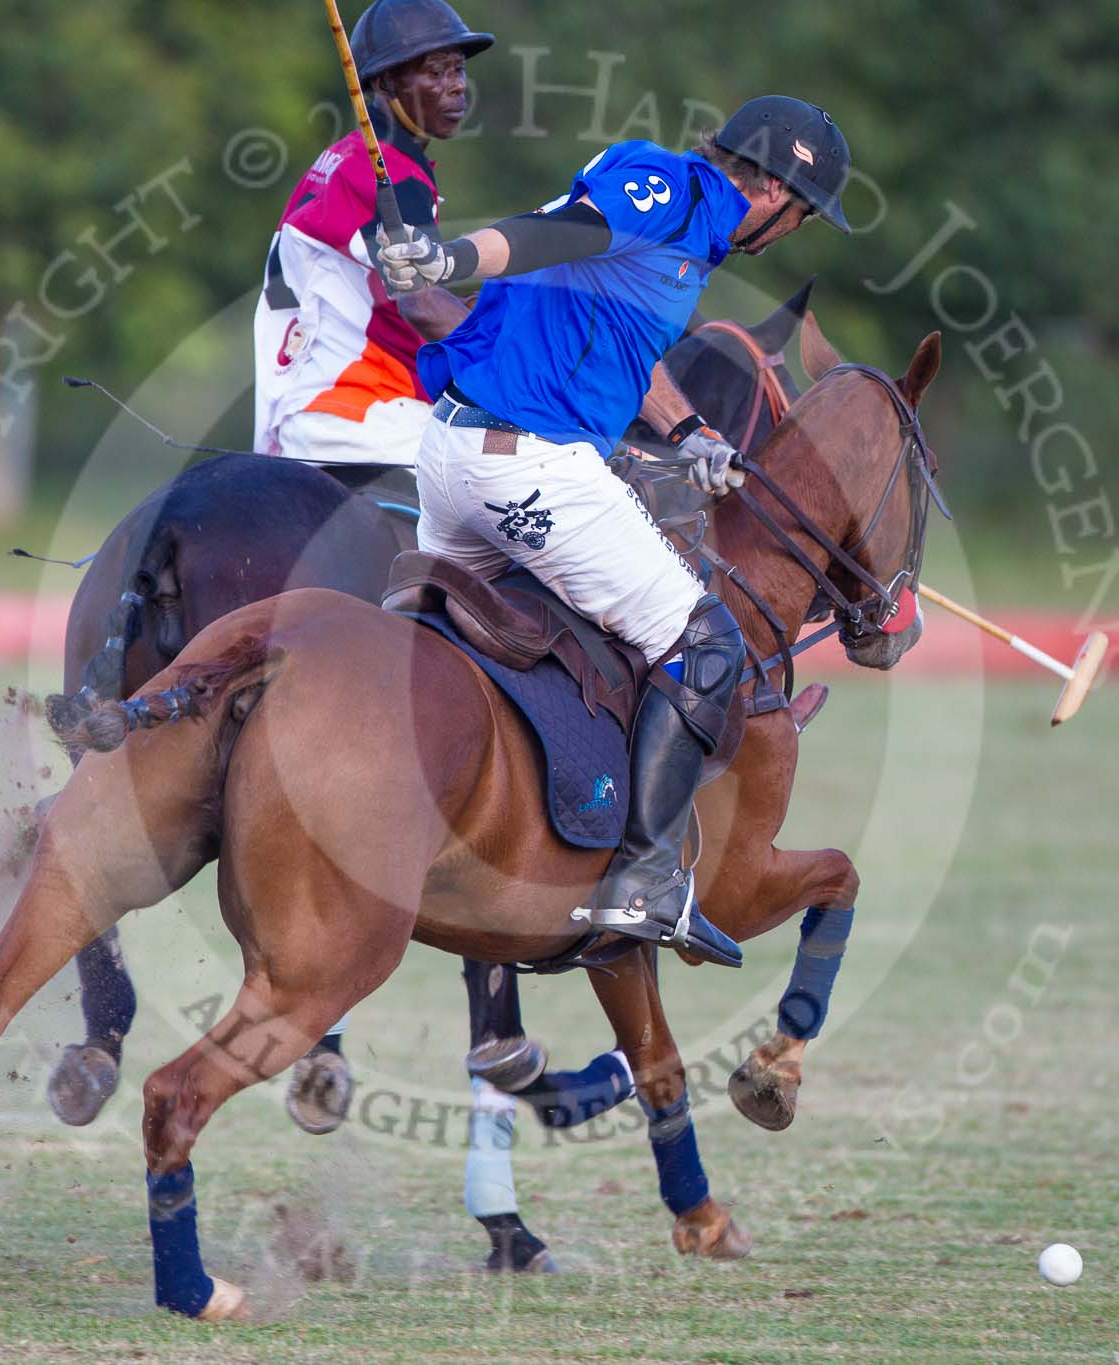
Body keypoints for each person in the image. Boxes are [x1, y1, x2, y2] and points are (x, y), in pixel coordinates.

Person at [378, 96, 854, 968]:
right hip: (522, 462)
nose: (796, 232)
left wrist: (691, 435)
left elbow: (625, 356)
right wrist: (450, 255)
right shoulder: (668, 188)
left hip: (457, 454)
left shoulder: (688, 239)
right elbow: (544, 236)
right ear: (776, 193)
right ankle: (643, 878)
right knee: (707, 642)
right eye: (805, 213)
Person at [250, 0, 487, 469]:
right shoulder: (386, 173)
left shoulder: (347, 157)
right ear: (382, 83)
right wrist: (519, 363)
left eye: (458, 70)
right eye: (435, 72)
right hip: (361, 416)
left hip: (310, 408)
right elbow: (421, 304)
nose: (456, 86)